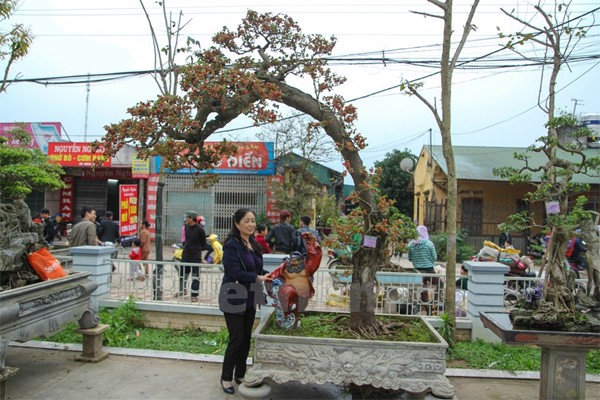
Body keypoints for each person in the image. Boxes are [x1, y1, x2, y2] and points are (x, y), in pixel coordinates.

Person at [218, 208, 270, 394]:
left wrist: (268, 275)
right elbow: (234, 272)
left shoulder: (254, 244)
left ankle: (240, 374)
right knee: (237, 338)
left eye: (253, 221)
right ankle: (225, 378)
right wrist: (257, 278)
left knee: (246, 338)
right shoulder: (232, 245)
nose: (251, 224)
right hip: (233, 295)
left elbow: (257, 269)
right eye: (247, 221)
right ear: (237, 223)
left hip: (249, 295)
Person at [179, 210, 206, 302]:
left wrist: (197, 250)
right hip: (186, 254)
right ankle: (182, 290)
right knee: (183, 274)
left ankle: (194, 294)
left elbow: (203, 243)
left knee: (195, 276)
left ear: (192, 218)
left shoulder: (200, 230)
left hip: (195, 256)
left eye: (187, 217)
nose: (186, 219)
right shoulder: (186, 227)